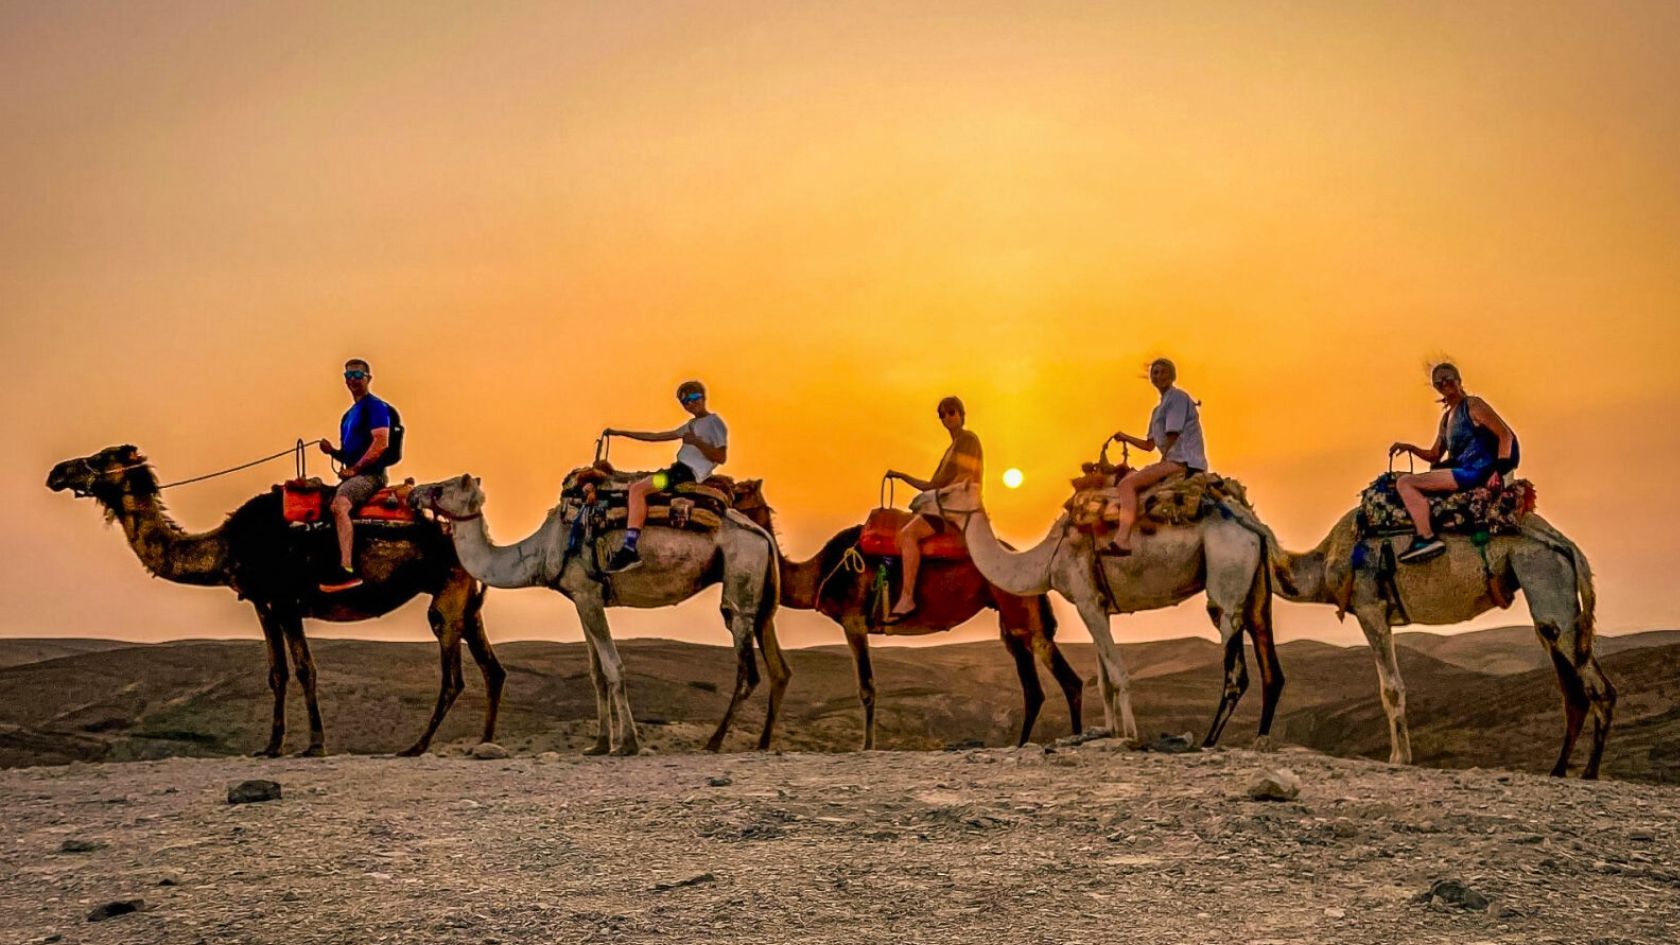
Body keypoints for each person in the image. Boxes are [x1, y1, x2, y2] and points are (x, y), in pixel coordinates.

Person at [1388, 362, 1519, 564]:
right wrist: (1409, 448)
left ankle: (1426, 537)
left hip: (1475, 471)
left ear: (1459, 380)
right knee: (1406, 479)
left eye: (1448, 378)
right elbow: (1434, 455)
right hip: (1462, 470)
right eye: (1439, 381)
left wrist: (1498, 471)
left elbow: (1505, 435)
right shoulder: (1446, 419)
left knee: (1405, 483)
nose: (1444, 383)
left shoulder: (1473, 405)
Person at [601, 380, 728, 573]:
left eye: (694, 397)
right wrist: (621, 433)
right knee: (636, 483)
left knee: (637, 489)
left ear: (703, 396)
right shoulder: (692, 424)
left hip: (683, 474)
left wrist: (696, 442)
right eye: (685, 401)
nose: (691, 403)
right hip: (676, 471)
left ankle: (629, 549)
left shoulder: (714, 423)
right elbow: (657, 436)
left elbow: (721, 456)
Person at [882, 396, 983, 624]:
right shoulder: (952, 447)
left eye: (951, 412)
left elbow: (956, 478)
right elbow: (932, 484)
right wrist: (902, 476)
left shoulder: (968, 439)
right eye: (943, 414)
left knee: (907, 535)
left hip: (954, 508)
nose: (947, 418)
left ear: (961, 413)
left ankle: (907, 598)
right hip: (944, 502)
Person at [1104, 358, 1207, 555]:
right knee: (1131, 479)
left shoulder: (1177, 397)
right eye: (1154, 373)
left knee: (1126, 485)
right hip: (1172, 459)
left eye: (1162, 372)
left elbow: (1173, 433)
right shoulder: (1157, 410)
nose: (1158, 376)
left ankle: (1123, 538)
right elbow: (1149, 445)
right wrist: (1125, 437)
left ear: (1172, 376)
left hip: (1182, 461)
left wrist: (1163, 460)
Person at [317, 358, 397, 592]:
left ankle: (346, 570)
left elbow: (381, 443)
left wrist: (355, 470)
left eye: (358, 376)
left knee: (339, 505)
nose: (353, 380)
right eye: (349, 376)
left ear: (368, 378)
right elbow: (351, 454)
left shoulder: (375, 407)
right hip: (355, 474)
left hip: (371, 476)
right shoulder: (348, 415)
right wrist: (333, 452)